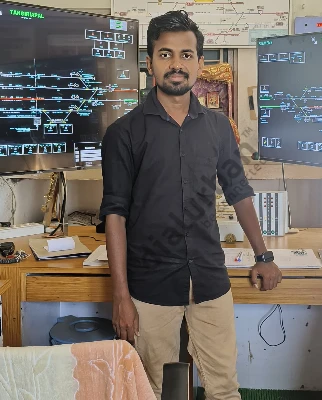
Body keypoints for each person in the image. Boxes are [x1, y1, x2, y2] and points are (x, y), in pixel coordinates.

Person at [99, 10, 282, 400]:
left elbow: (238, 190)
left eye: (186, 55)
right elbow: (115, 213)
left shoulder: (218, 127)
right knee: (153, 390)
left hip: (209, 278)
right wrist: (121, 296)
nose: (176, 64)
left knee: (224, 388)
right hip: (150, 284)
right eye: (165, 54)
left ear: (200, 62)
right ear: (149, 63)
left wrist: (263, 256)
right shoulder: (123, 133)